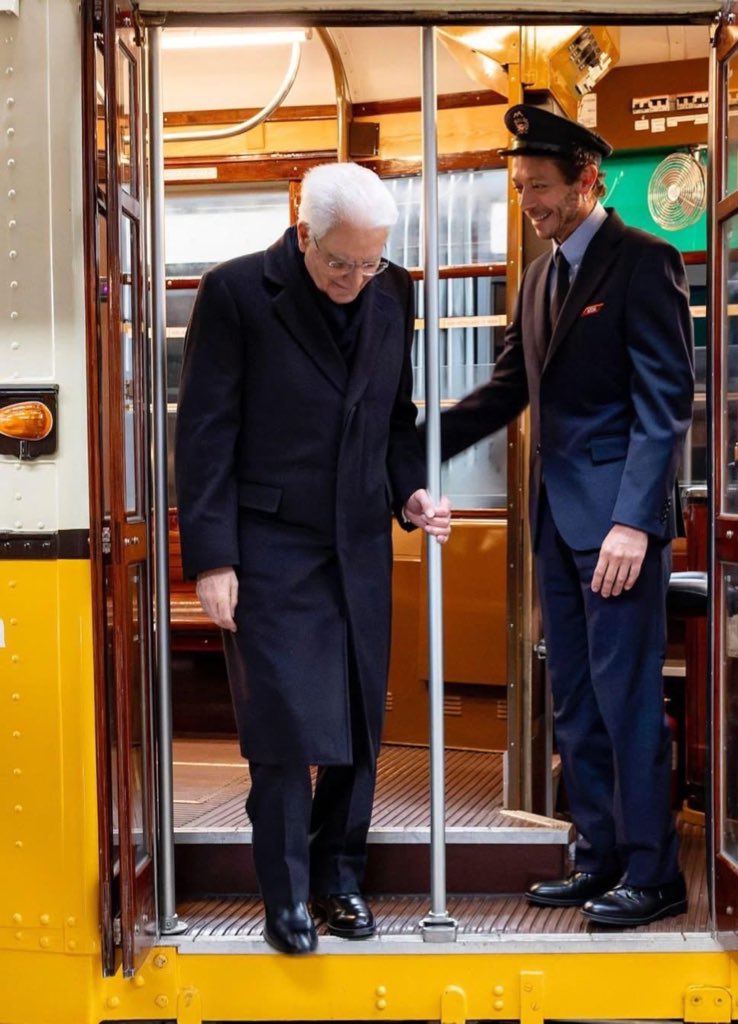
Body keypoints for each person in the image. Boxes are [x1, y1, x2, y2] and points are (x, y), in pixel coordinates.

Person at [175, 162, 451, 955]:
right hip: (268, 545)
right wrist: (213, 559)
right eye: (340, 263)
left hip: (358, 540)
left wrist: (411, 493)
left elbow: (395, 418)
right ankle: (287, 896)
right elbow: (204, 433)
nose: (357, 279)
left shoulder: (393, 292)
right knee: (285, 727)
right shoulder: (235, 293)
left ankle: (338, 878)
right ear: (304, 234)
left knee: (359, 721)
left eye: (370, 262)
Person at [435, 105, 694, 927]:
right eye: (520, 189)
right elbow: (507, 390)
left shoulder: (644, 261)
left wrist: (635, 522)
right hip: (557, 522)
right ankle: (599, 856)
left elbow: (664, 405)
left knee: (625, 699)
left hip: (617, 529)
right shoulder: (541, 277)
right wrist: (414, 447)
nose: (528, 204)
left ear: (588, 181)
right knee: (575, 700)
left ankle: (655, 873)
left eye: (539, 188)